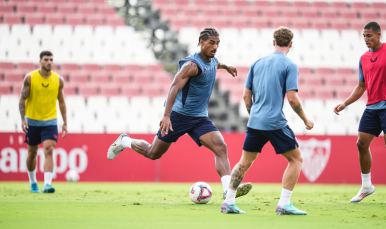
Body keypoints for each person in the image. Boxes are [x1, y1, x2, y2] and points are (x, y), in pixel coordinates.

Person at [107, 28, 252, 198]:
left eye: (217, 43)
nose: (215, 46)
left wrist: (225, 66)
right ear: (201, 43)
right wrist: (167, 115)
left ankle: (228, 191)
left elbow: (215, 64)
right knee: (153, 153)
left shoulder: (213, 60)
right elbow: (174, 88)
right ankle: (125, 141)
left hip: (199, 118)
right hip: (178, 116)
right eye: (211, 43)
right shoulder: (191, 65)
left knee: (220, 146)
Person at [221, 27, 314, 215]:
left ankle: (228, 202)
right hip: (275, 122)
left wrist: (253, 113)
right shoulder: (290, 65)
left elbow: (246, 97)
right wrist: (306, 119)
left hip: (255, 121)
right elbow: (293, 98)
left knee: (244, 161)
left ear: (273, 42)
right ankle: (284, 204)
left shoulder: (257, 63)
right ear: (291, 44)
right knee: (296, 159)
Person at [334, 21, 384, 203]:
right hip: (372, 107)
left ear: (379, 34)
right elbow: (361, 86)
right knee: (361, 144)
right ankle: (367, 186)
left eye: (369, 35)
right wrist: (345, 103)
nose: (366, 39)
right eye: (364, 36)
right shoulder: (363, 58)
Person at [19, 51, 68, 193]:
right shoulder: (30, 78)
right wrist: (23, 118)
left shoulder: (58, 80)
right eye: (46, 60)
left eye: (51, 60)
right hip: (32, 121)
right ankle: (33, 182)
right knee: (32, 153)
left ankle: (47, 184)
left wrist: (65, 122)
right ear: (40, 62)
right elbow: (22, 99)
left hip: (50, 121)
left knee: (49, 149)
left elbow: (62, 102)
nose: (49, 62)